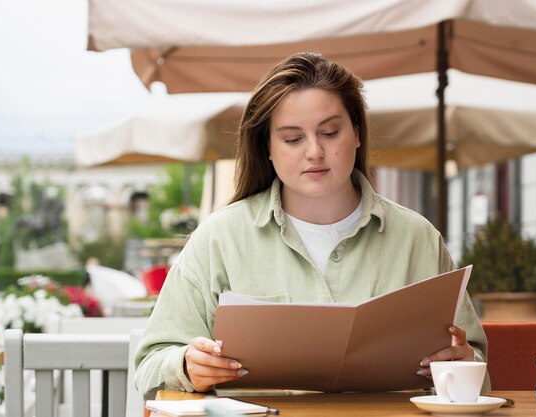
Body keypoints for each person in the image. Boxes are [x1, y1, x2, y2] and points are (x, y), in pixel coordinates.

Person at [134, 52, 488, 399]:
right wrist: (185, 365)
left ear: (358, 133)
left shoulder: (418, 238)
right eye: (292, 139)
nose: (314, 152)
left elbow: (476, 363)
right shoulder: (219, 238)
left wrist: (464, 364)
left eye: (330, 132)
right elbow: (149, 367)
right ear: (267, 148)